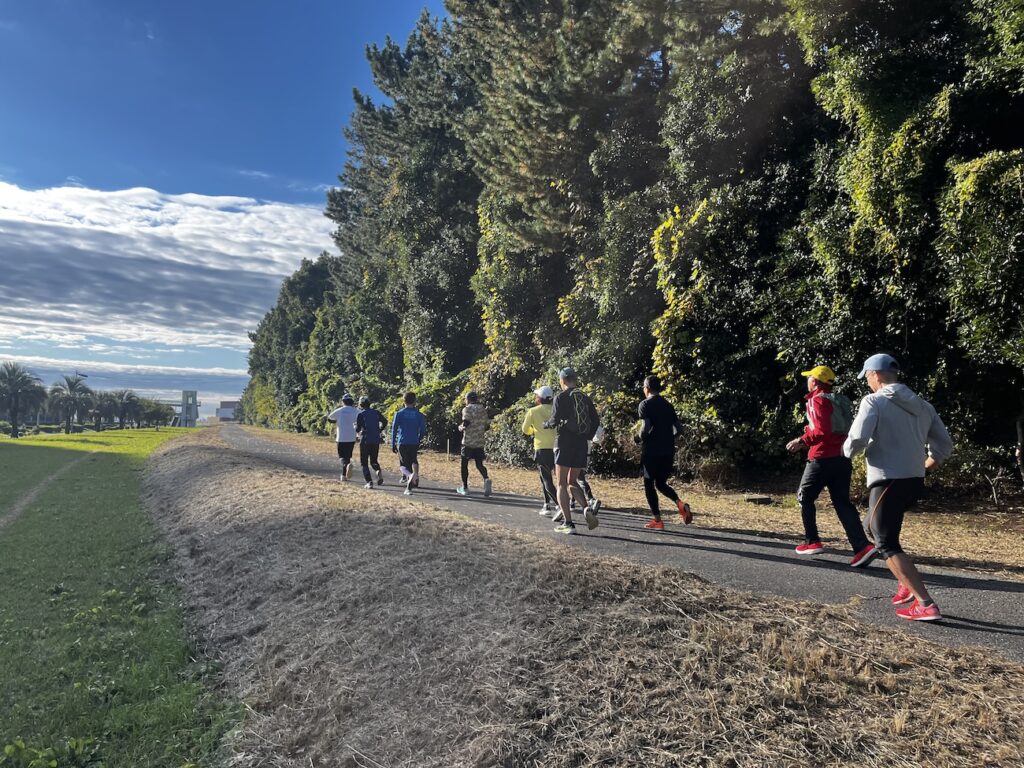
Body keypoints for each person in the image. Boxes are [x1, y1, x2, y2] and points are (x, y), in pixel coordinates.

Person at [844, 353, 953, 621]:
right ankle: (904, 579)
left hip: (887, 479)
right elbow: (944, 446)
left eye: (867, 377)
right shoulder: (924, 406)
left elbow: (857, 438)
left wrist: (847, 451)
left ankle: (925, 603)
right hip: (913, 480)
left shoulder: (874, 401)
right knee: (872, 524)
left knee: (884, 541)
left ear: (876, 375)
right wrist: (923, 467)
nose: (867, 382)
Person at [785, 365, 876, 567]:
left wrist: (801, 440)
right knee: (842, 502)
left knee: (804, 496)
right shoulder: (839, 400)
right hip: (843, 456)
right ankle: (862, 546)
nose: (807, 381)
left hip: (822, 456)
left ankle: (812, 541)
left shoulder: (816, 400)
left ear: (815, 382)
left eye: (809, 378)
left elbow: (821, 431)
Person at [545, 367, 600, 534]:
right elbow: (596, 421)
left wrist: (546, 424)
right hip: (582, 444)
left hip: (564, 442)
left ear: (562, 381)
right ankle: (586, 509)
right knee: (572, 481)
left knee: (561, 483)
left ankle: (568, 524)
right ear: (575, 380)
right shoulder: (584, 397)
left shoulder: (560, 397)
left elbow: (554, 421)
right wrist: (587, 436)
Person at [636, 375, 693, 530]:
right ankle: (680, 504)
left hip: (651, 451)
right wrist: (668, 438)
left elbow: (645, 427)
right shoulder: (668, 405)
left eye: (643, 386)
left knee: (649, 484)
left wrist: (638, 438)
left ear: (647, 387)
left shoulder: (645, 404)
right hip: (668, 450)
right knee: (661, 483)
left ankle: (657, 520)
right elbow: (679, 429)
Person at [522, 385, 558, 515]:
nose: (535, 397)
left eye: (537, 395)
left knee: (546, 478)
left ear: (540, 398)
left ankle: (559, 505)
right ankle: (546, 504)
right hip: (556, 446)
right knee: (551, 478)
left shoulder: (533, 411)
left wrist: (534, 431)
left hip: (541, 447)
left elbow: (525, 429)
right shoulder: (556, 409)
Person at [391, 391, 428, 496]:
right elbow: (423, 430)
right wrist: (418, 438)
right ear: (415, 401)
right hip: (414, 442)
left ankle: (409, 485)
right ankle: (415, 477)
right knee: (413, 460)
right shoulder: (419, 415)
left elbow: (394, 429)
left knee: (403, 466)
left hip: (402, 442)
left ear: (404, 401)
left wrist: (393, 443)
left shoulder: (399, 414)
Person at [457, 391, 492, 496]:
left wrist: (460, 428)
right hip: (479, 442)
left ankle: (465, 487)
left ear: (468, 399)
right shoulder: (482, 409)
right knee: (479, 464)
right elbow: (487, 426)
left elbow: (466, 422)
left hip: (468, 442)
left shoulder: (467, 409)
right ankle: (486, 479)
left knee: (464, 464)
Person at [356, 396, 387, 489]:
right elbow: (385, 421)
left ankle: (369, 482)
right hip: (375, 440)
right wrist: (379, 430)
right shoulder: (376, 412)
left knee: (364, 463)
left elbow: (358, 429)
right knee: (374, 460)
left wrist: (357, 430)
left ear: (360, 404)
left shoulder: (361, 414)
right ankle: (377, 471)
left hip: (365, 440)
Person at [327, 394, 359, 482]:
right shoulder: (356, 411)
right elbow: (361, 419)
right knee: (348, 456)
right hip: (351, 437)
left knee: (342, 457)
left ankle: (346, 467)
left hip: (341, 437)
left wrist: (336, 421)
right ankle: (344, 475)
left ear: (343, 401)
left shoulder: (340, 410)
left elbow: (329, 418)